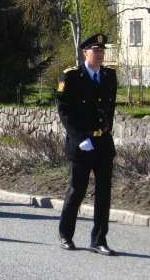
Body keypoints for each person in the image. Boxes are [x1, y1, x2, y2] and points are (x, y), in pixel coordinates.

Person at [57, 33, 117, 256]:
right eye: (95, 50)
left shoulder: (109, 76)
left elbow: (108, 109)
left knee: (104, 193)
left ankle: (99, 239)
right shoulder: (71, 77)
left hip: (103, 143)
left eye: (102, 50)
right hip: (81, 143)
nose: (100, 54)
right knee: (77, 190)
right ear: (85, 52)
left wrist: (105, 133)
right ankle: (66, 234)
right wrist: (80, 137)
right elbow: (64, 111)